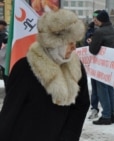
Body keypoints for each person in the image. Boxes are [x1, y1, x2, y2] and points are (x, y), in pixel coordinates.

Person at [0, 9, 90, 141]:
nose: (74, 48)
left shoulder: (76, 67)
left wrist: (69, 135)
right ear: (55, 43)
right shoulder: (25, 68)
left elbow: (81, 105)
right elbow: (11, 112)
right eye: (70, 43)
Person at [88, 10, 114, 125]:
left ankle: (106, 115)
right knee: (109, 89)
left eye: (96, 19)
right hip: (112, 65)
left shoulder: (99, 32)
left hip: (101, 66)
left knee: (102, 90)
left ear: (101, 20)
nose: (94, 21)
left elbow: (93, 50)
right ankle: (111, 114)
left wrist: (91, 42)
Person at [87, 10, 101, 120]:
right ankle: (94, 108)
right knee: (95, 88)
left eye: (97, 17)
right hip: (93, 63)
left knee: (105, 89)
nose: (95, 19)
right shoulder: (90, 29)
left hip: (104, 65)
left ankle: (108, 113)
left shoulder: (105, 30)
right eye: (94, 17)